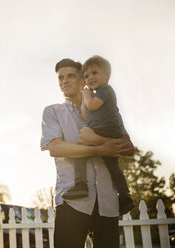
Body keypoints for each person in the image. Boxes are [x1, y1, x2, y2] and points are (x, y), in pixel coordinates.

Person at [40, 58, 134, 248]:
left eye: (71, 76)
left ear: (83, 80)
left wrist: (97, 140)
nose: (64, 81)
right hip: (72, 202)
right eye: (61, 78)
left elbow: (128, 147)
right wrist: (101, 149)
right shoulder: (53, 112)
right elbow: (56, 148)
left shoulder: (108, 110)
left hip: (108, 203)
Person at [62, 55, 135, 215]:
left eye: (95, 73)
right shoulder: (94, 94)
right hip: (101, 129)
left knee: (79, 153)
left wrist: (87, 96)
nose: (90, 78)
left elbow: (93, 106)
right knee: (113, 166)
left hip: (107, 129)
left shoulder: (106, 90)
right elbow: (84, 115)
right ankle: (125, 196)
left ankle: (80, 185)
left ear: (107, 74)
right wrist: (84, 99)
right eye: (86, 76)